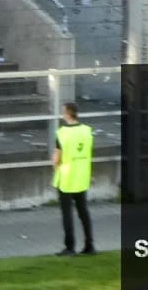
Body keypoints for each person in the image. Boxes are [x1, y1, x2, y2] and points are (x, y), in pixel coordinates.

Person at [52, 102, 94, 256]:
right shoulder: (87, 131)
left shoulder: (62, 133)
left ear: (67, 113)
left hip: (66, 178)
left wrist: (56, 168)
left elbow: (57, 157)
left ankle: (70, 247)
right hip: (82, 176)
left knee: (67, 213)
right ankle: (89, 244)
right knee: (83, 211)